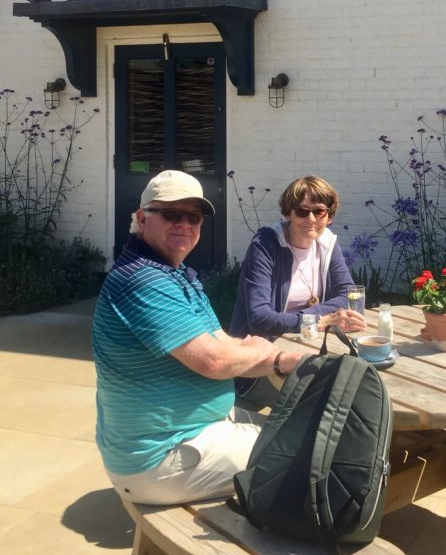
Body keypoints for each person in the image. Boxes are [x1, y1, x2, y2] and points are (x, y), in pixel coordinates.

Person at [92, 169, 308, 506]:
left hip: (193, 433)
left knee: (302, 428)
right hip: (160, 457)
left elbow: (222, 345)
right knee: (309, 452)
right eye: (171, 214)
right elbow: (215, 361)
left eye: (194, 216)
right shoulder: (141, 281)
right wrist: (263, 352)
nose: (185, 224)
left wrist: (276, 358)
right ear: (141, 218)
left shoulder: (175, 275)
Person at [229, 176, 365, 404]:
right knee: (339, 397)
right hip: (261, 366)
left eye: (319, 211)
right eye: (302, 211)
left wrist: (321, 318)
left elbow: (346, 294)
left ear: (329, 216)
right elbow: (259, 319)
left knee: (360, 379)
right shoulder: (265, 247)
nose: (310, 219)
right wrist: (319, 321)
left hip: (309, 350)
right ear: (288, 213)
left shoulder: (327, 244)